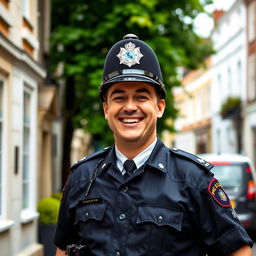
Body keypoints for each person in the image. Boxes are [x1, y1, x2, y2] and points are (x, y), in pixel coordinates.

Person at [54, 34, 253, 256]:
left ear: (159, 107)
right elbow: (63, 249)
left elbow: (239, 250)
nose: (130, 107)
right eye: (119, 98)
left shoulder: (193, 179)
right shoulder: (82, 177)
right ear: (106, 109)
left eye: (141, 97)